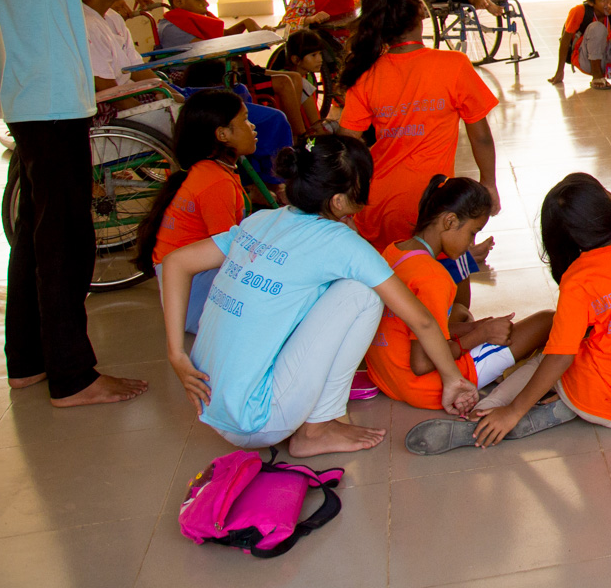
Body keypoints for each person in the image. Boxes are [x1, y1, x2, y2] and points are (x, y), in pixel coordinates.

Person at [160, 135, 481, 456]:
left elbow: (175, 263)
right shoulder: (342, 243)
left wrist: (177, 354)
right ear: (340, 201)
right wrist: (452, 380)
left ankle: (317, 421)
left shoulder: (260, 220)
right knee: (363, 293)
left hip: (208, 399)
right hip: (256, 420)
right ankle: (317, 429)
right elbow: (421, 319)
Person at [0, 0, 150, 407]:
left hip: (37, 94)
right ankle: (72, 377)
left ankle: (27, 360)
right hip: (49, 98)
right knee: (65, 242)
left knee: (36, 231)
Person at [405, 173, 611, 453]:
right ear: (609, 200)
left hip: (604, 405)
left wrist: (512, 411)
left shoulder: (581, 276)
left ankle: (494, 413)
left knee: (546, 357)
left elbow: (559, 357)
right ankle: (540, 409)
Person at [367, 175, 555, 413]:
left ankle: (503, 365)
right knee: (548, 320)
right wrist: (481, 335)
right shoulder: (434, 276)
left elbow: (415, 326)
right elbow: (422, 363)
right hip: (425, 387)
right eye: (472, 232)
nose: (470, 244)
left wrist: (475, 328)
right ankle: (509, 375)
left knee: (461, 313)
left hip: (388, 376)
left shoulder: (394, 251)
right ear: (449, 221)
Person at [337, 0, 499, 251]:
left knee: (392, 275)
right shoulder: (453, 65)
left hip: (377, 202)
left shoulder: (366, 72)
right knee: (444, 278)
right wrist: (489, 183)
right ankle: (466, 257)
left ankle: (468, 255)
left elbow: (346, 145)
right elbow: (481, 137)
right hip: (431, 204)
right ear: (421, 11)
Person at [133, 89, 258, 334]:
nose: (252, 126)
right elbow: (230, 255)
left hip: (187, 294)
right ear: (222, 134)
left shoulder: (206, 170)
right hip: (197, 305)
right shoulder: (216, 181)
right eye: (244, 119)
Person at [159, 0, 320, 139]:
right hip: (210, 79)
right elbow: (209, 50)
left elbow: (223, 35)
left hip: (229, 69)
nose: (206, 5)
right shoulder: (172, 27)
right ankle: (299, 138)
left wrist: (247, 24)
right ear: (179, 0)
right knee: (286, 82)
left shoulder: (192, 19)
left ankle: (303, 134)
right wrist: (254, 38)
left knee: (295, 77)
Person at [80, 0, 160, 93]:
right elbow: (109, 92)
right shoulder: (87, 24)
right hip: (114, 105)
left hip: (129, 92)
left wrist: (173, 95)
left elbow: (136, 67)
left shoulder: (113, 17)